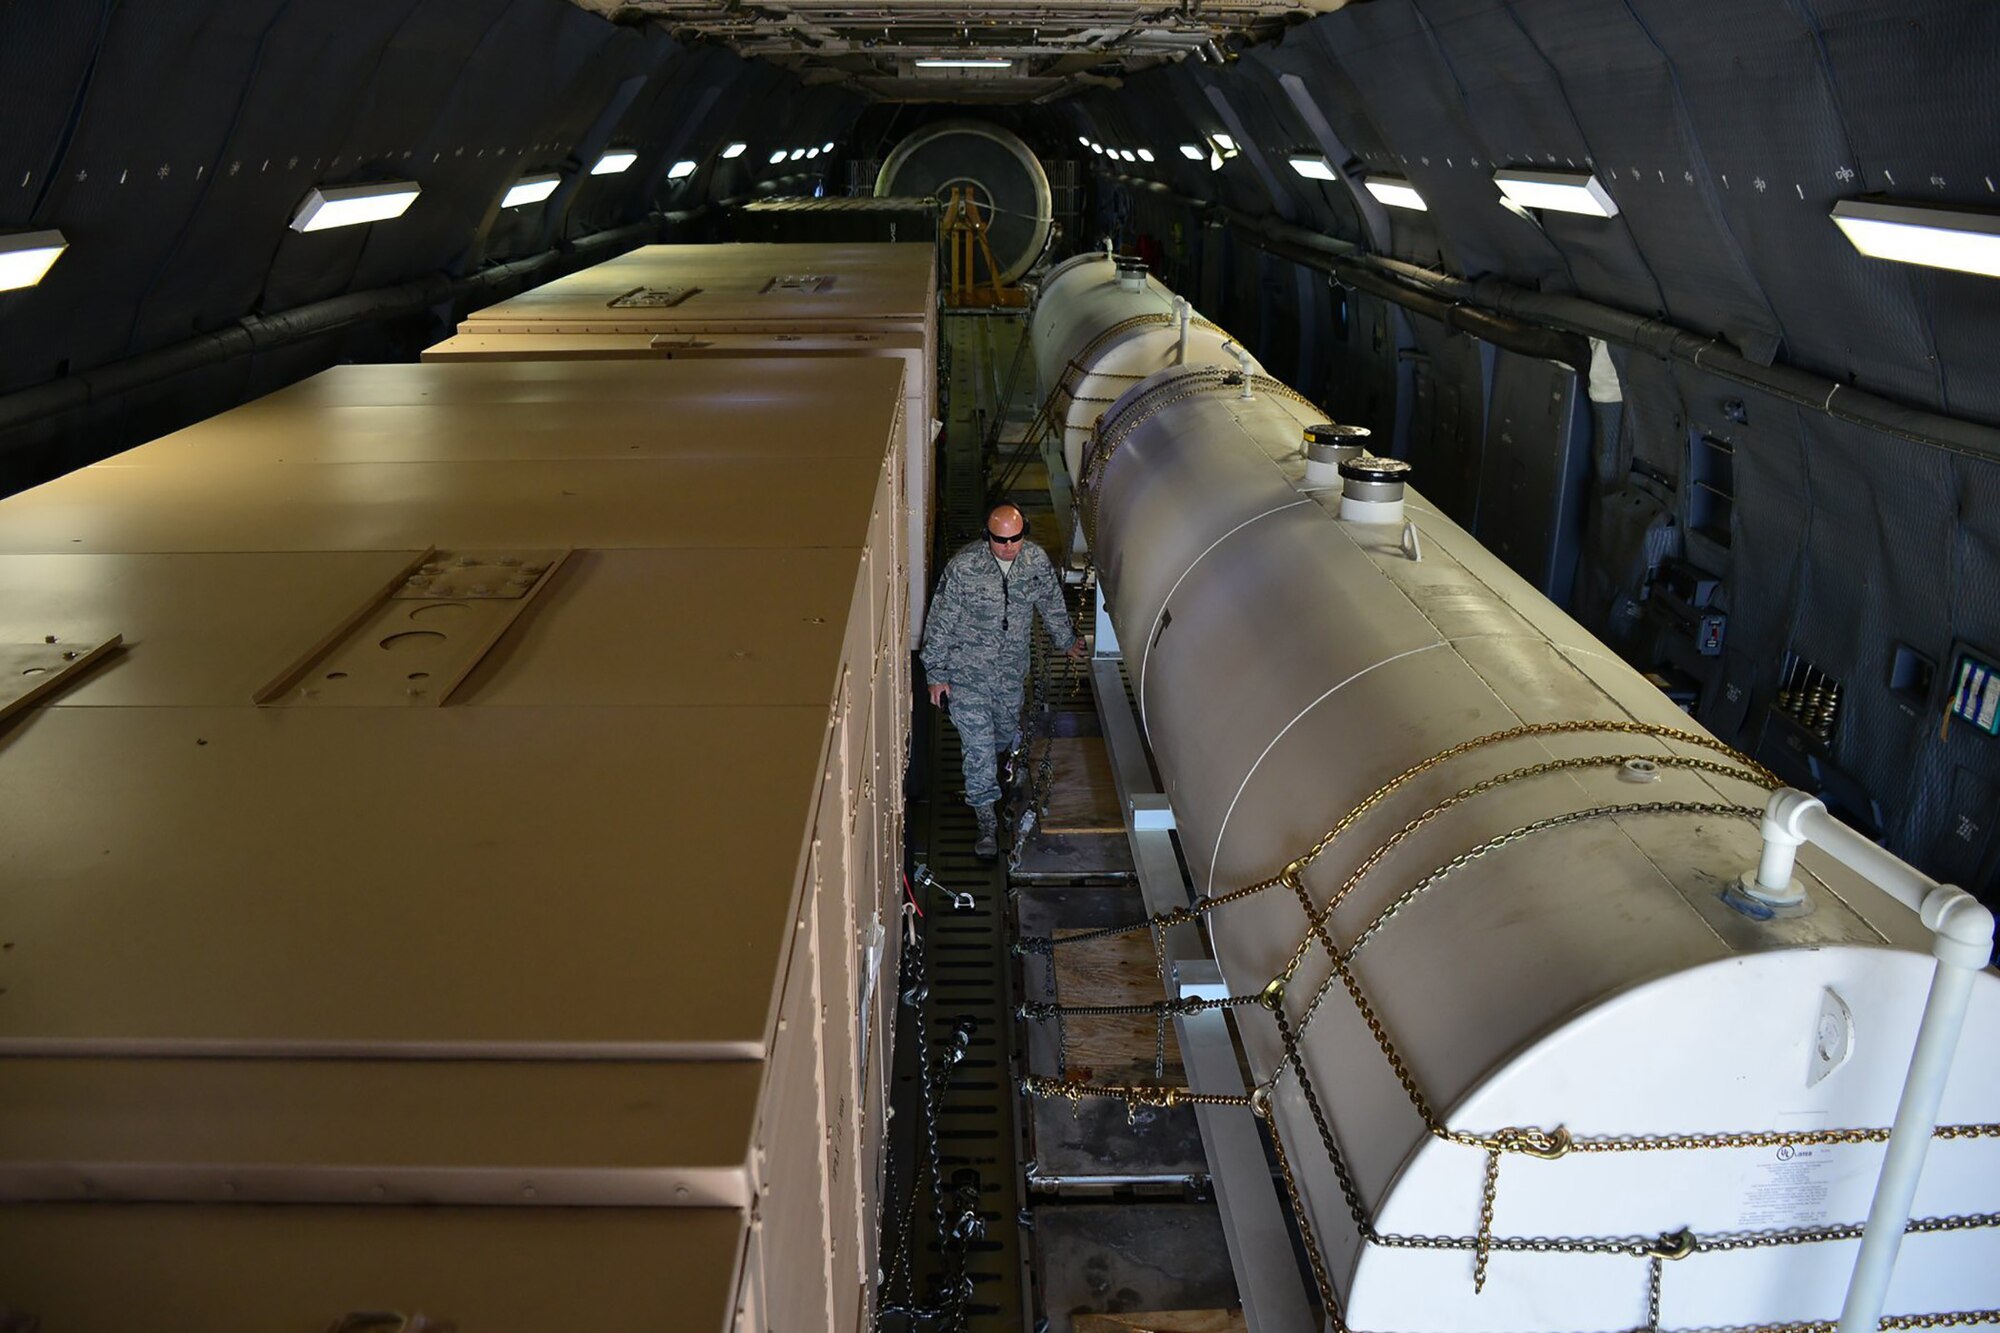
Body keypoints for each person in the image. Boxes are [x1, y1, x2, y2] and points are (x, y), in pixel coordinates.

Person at [921, 503, 1087, 858]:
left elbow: (1051, 605)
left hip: (1010, 675)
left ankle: (998, 776)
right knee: (978, 749)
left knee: (1001, 734)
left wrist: (1067, 641)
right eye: (1000, 540)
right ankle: (986, 824)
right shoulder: (964, 569)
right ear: (987, 536)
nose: (1009, 546)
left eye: (1015, 538)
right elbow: (940, 622)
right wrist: (936, 675)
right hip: (967, 676)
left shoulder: (1035, 563)